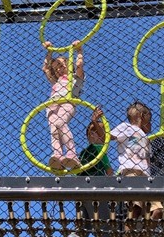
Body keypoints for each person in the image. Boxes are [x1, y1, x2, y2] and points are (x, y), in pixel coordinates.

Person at [110, 101, 163, 233]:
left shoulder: (146, 138)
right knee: (135, 209)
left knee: (158, 210)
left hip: (146, 177)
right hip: (131, 172)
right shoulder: (126, 128)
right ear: (141, 116)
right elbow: (108, 136)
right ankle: (129, 233)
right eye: (149, 120)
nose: (151, 125)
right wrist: (97, 123)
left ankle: (146, 233)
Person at [42, 40, 84, 170]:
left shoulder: (76, 77)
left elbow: (79, 64)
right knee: (54, 129)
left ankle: (72, 154)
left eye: (61, 65)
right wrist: (49, 52)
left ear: (68, 64)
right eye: (56, 68)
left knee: (61, 123)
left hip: (68, 101)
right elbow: (45, 68)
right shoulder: (56, 80)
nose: (59, 69)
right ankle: (58, 156)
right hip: (52, 104)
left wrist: (79, 51)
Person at [77, 107, 114, 237]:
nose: (106, 136)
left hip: (80, 191)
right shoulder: (99, 149)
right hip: (96, 190)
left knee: (82, 228)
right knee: (105, 227)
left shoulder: (82, 153)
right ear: (93, 134)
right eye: (103, 131)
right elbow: (109, 171)